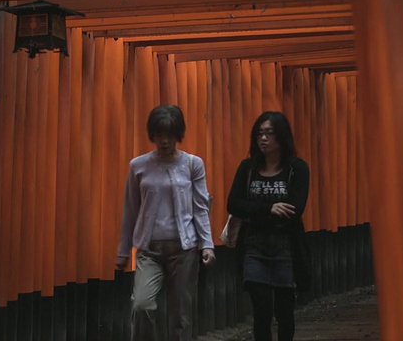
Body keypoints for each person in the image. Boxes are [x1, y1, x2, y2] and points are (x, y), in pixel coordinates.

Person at [115, 104, 216, 341]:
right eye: (159, 135)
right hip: (149, 250)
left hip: (184, 249)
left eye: (170, 135)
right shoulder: (138, 166)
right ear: (152, 134)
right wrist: (122, 250)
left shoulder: (192, 164)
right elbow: (130, 209)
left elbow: (200, 207)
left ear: (178, 135)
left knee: (181, 314)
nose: (164, 141)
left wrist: (207, 244)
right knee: (142, 305)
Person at [227, 111, 310, 341]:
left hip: (286, 247)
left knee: (284, 311)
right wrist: (269, 209)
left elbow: (295, 210)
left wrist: (254, 210)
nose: (263, 139)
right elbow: (233, 204)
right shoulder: (248, 168)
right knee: (261, 308)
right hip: (253, 246)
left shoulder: (297, 169)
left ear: (281, 137)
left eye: (269, 133)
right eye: (259, 134)